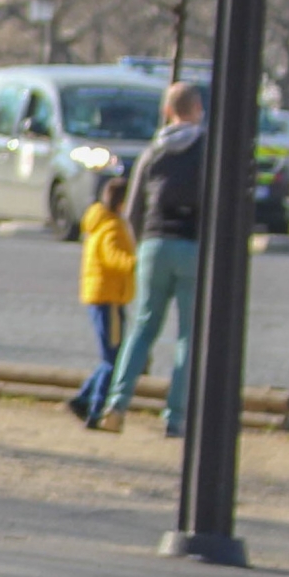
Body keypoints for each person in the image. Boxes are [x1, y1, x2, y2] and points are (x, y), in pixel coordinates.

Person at [93, 82, 204, 435]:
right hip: (192, 244)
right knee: (189, 335)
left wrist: (144, 242)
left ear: (168, 111)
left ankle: (117, 404)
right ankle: (175, 417)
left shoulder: (153, 151)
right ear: (197, 109)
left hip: (155, 242)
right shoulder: (205, 149)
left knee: (142, 329)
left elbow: (134, 205)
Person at [67, 176, 137, 423]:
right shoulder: (113, 226)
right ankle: (94, 409)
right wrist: (136, 264)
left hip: (98, 294)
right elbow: (113, 257)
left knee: (110, 354)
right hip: (109, 297)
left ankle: (84, 398)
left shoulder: (98, 221)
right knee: (113, 358)